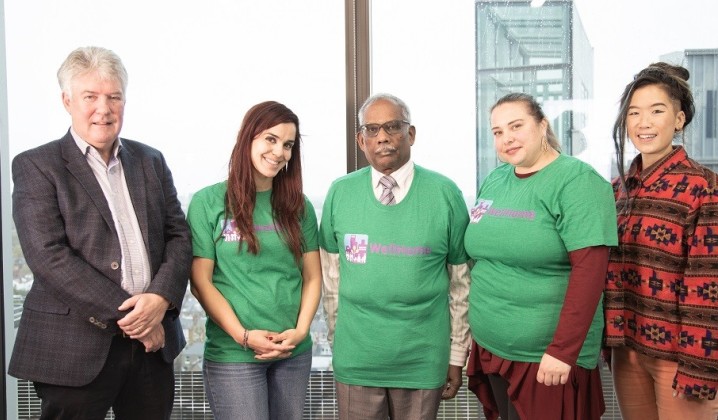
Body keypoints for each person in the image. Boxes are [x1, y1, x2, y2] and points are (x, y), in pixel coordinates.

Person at [9, 46, 192, 419]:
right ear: (67, 101)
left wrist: (160, 299)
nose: (103, 109)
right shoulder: (36, 165)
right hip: (74, 348)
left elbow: (179, 237)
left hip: (152, 349)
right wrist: (137, 321)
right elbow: (48, 256)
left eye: (114, 97)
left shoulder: (151, 161)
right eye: (90, 97)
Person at [464, 92, 618, 420]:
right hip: (493, 348)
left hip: (547, 358)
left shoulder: (578, 181)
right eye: (497, 132)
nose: (506, 138)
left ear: (542, 125)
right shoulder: (495, 180)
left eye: (516, 126)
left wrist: (562, 351)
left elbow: (590, 274)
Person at [319, 93, 471, 420]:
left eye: (392, 127)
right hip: (357, 360)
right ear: (360, 140)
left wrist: (457, 355)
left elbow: (462, 284)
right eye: (372, 129)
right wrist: (338, 344)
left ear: (410, 134)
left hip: (422, 361)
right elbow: (331, 282)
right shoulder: (340, 193)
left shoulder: (445, 194)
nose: (383, 137)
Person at [186, 101, 321, 420]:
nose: (279, 152)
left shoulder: (299, 206)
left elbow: (313, 277)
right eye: (271, 139)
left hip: (292, 352)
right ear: (247, 137)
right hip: (235, 355)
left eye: (288, 145)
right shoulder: (208, 203)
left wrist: (301, 331)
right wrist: (243, 336)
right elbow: (201, 282)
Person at [605, 62, 718, 420]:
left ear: (679, 120)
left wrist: (699, 367)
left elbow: (709, 284)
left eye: (657, 111)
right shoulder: (617, 190)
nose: (644, 122)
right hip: (627, 348)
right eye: (634, 113)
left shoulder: (703, 187)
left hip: (680, 356)